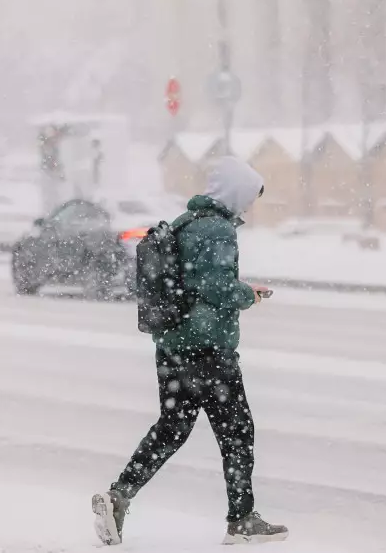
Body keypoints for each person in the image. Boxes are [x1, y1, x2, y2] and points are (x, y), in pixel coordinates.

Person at [92, 156, 288, 546]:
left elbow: (193, 281)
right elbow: (215, 288)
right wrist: (248, 294)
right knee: (237, 432)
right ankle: (242, 520)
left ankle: (119, 496)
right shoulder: (217, 230)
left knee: (172, 428)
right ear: (235, 194)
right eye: (248, 197)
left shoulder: (187, 223)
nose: (249, 206)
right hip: (207, 347)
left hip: (173, 346)